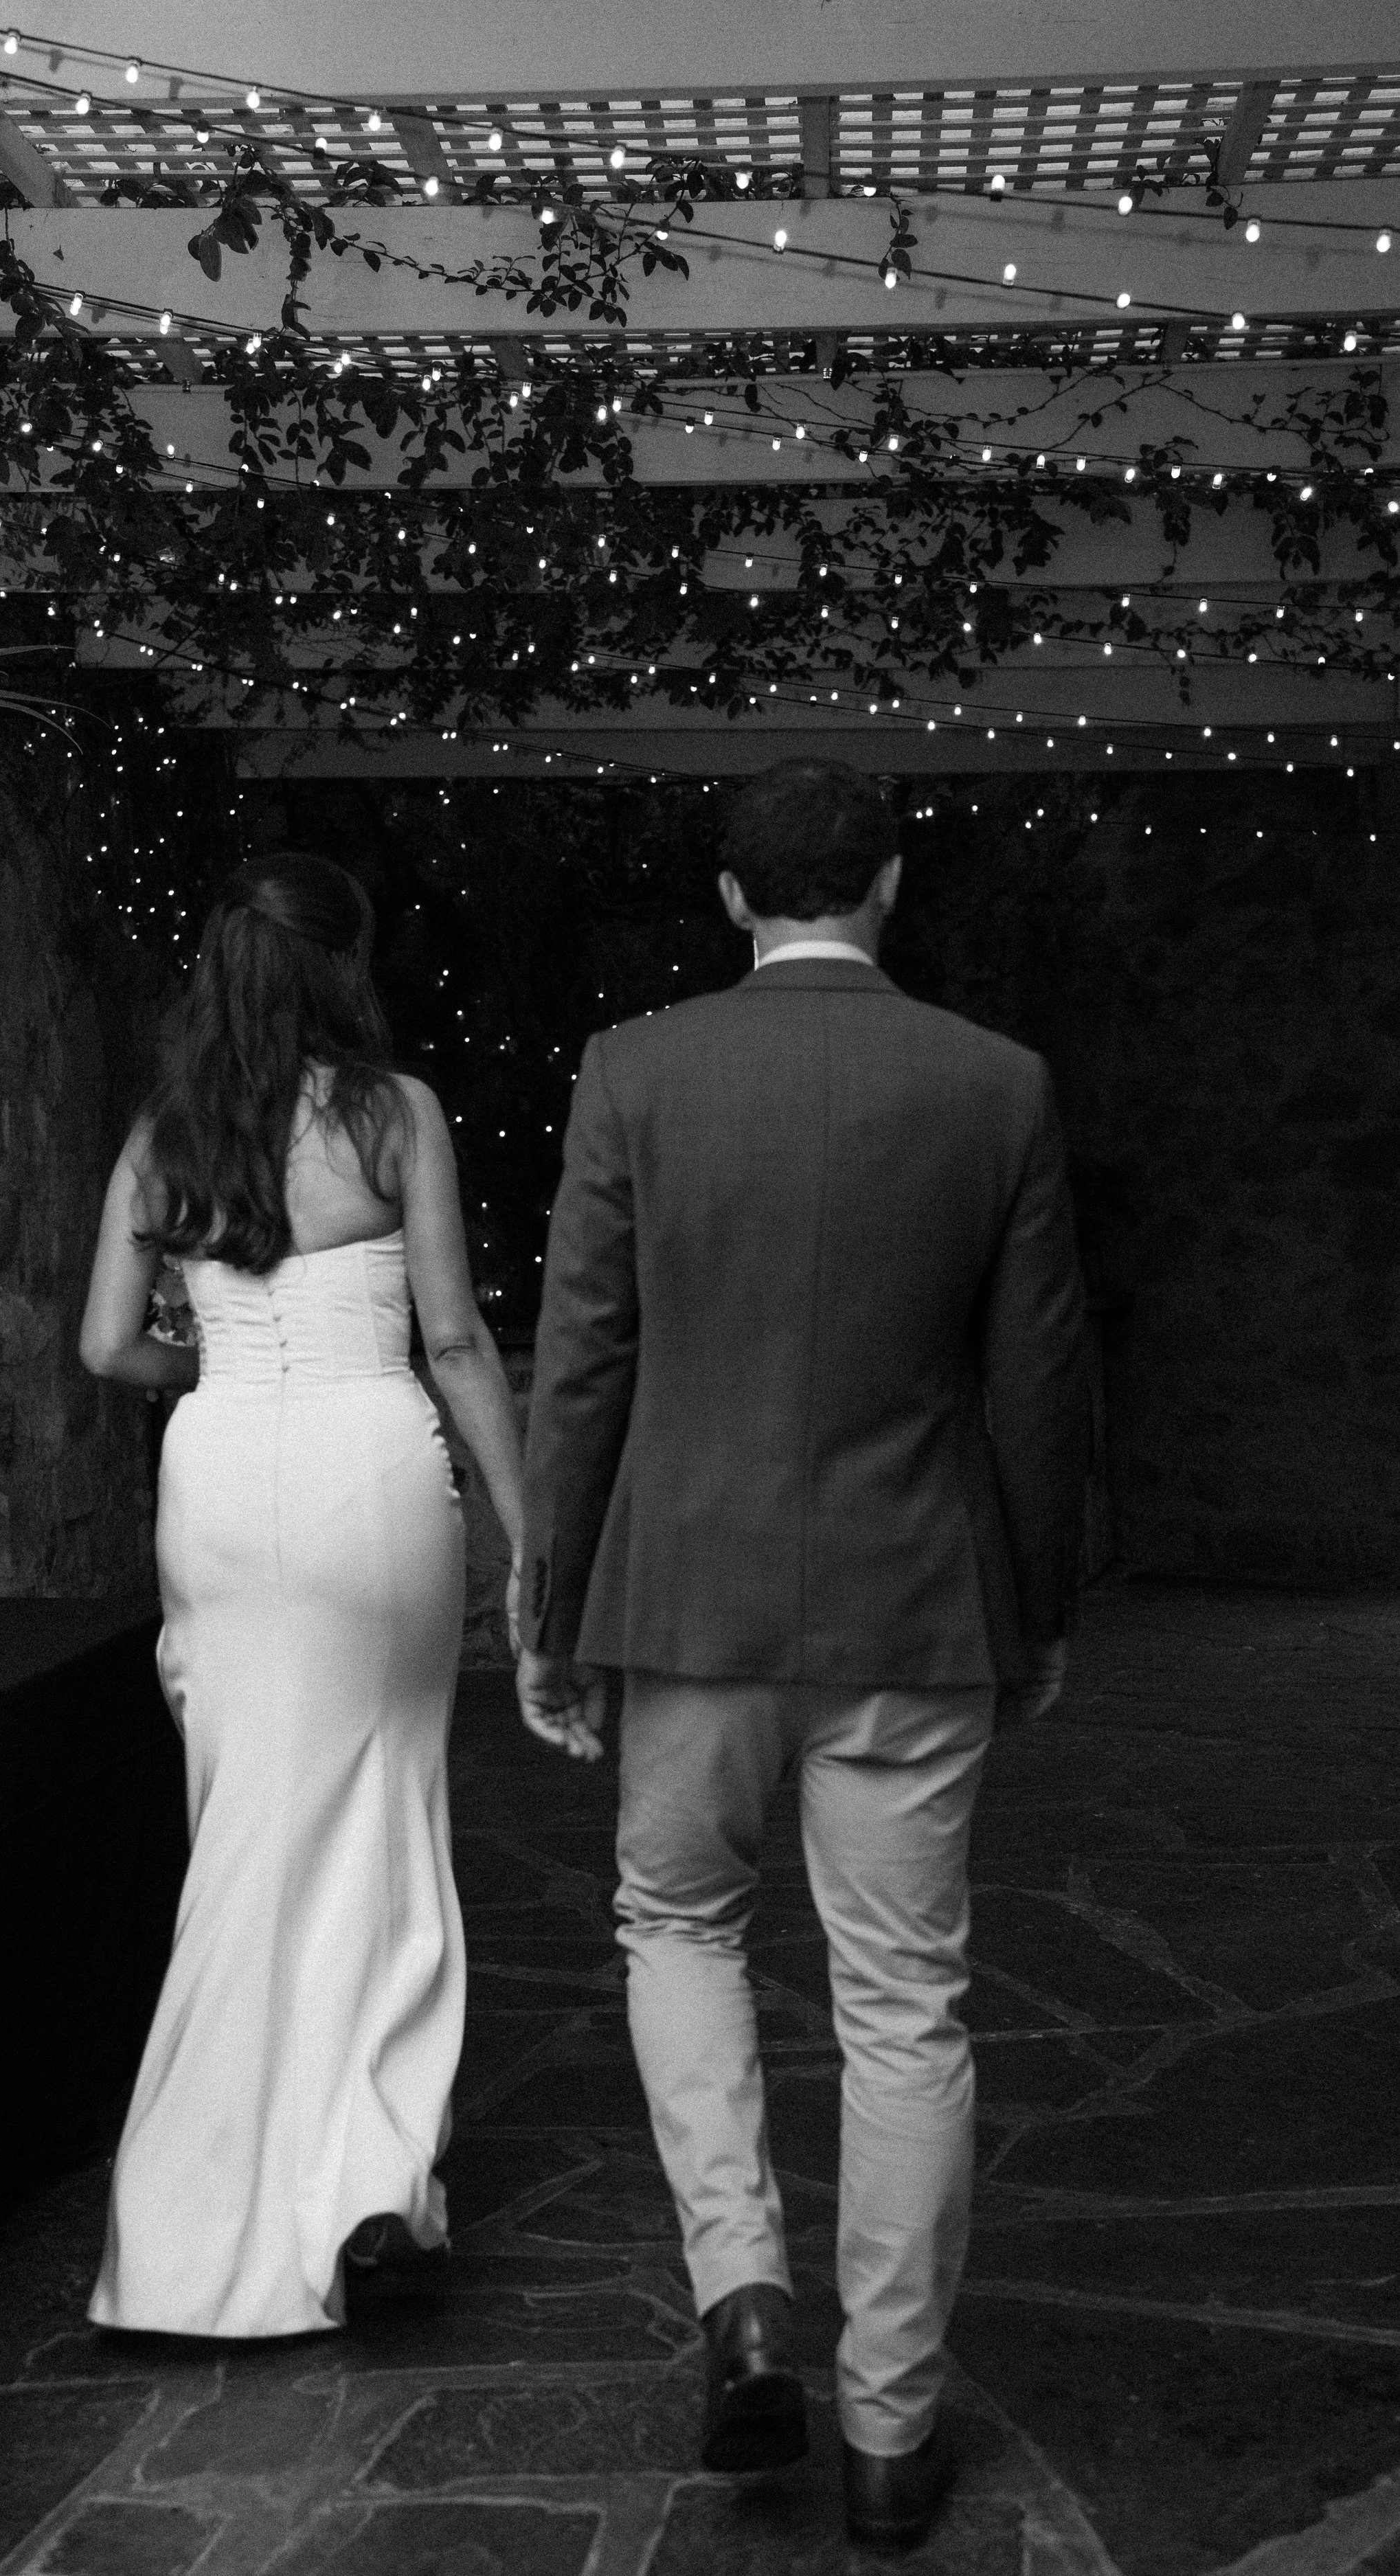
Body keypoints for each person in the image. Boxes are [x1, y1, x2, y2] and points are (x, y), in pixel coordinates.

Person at [515, 761, 1089, 2548]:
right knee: (904, 2002)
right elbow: (1040, 1379)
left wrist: (547, 1604)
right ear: (892, 884)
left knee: (676, 1923)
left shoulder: (636, 1070)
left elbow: (583, 1358)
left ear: (727, 897)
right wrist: (1040, 1603)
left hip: (682, 1601)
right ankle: (892, 2429)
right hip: (911, 1604)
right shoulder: (995, 1084)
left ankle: (743, 2284)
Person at [78, 851, 524, 2339]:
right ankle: (365, 2189)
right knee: (379, 1819)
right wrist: (527, 1534)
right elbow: (454, 1343)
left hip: (220, 1484)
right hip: (364, 1476)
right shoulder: (393, 1116)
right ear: (346, 965)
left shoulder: (165, 1135)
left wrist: (213, 1356)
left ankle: (188, 2232)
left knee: (246, 1834)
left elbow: (102, 1351)